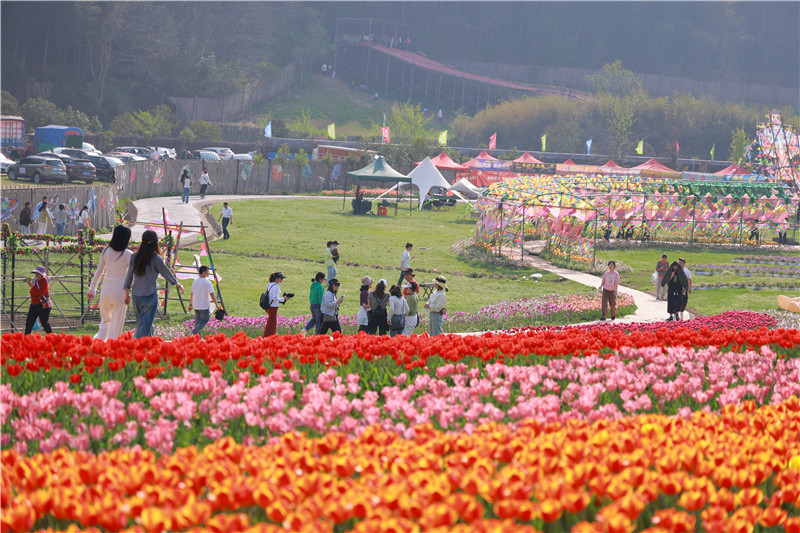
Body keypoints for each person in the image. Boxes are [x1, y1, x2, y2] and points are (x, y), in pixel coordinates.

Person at [123, 230, 185, 338]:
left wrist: (126, 294)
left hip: (136, 297)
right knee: (144, 328)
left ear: (142, 242)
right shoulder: (156, 259)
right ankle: (138, 349)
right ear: (156, 243)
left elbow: (129, 276)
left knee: (145, 325)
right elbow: (166, 272)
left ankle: (150, 348)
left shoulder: (134, 257)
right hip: (149, 297)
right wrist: (177, 284)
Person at [88, 225, 134, 340]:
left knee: (105, 321)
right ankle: (112, 348)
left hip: (106, 289)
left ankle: (98, 342)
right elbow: (132, 276)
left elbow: (99, 271)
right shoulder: (129, 254)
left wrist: (92, 288)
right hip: (120, 291)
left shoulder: (106, 250)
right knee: (116, 324)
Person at [189, 265, 218, 337]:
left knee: (198, 323)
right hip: (204, 305)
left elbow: (192, 294)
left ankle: (198, 338)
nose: (209, 273)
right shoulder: (207, 282)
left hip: (196, 305)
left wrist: (190, 304)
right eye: (208, 272)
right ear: (204, 272)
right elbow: (212, 294)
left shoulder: (195, 282)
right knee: (204, 321)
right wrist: (216, 304)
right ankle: (193, 333)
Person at [263, 272, 293, 336]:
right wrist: (284, 298)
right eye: (281, 278)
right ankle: (269, 336)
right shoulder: (276, 286)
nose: (282, 280)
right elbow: (275, 298)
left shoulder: (269, 284)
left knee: (271, 323)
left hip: (269, 305)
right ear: (276, 278)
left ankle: (268, 336)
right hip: (273, 306)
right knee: (272, 324)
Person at [24, 266, 53, 334]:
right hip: (34, 305)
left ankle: (52, 338)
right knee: (29, 322)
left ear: (42, 274)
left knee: (44, 322)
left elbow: (41, 293)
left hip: (42, 305)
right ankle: (26, 340)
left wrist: (32, 286)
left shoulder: (44, 281)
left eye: (38, 273)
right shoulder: (35, 280)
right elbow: (33, 293)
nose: (36, 275)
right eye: (36, 273)